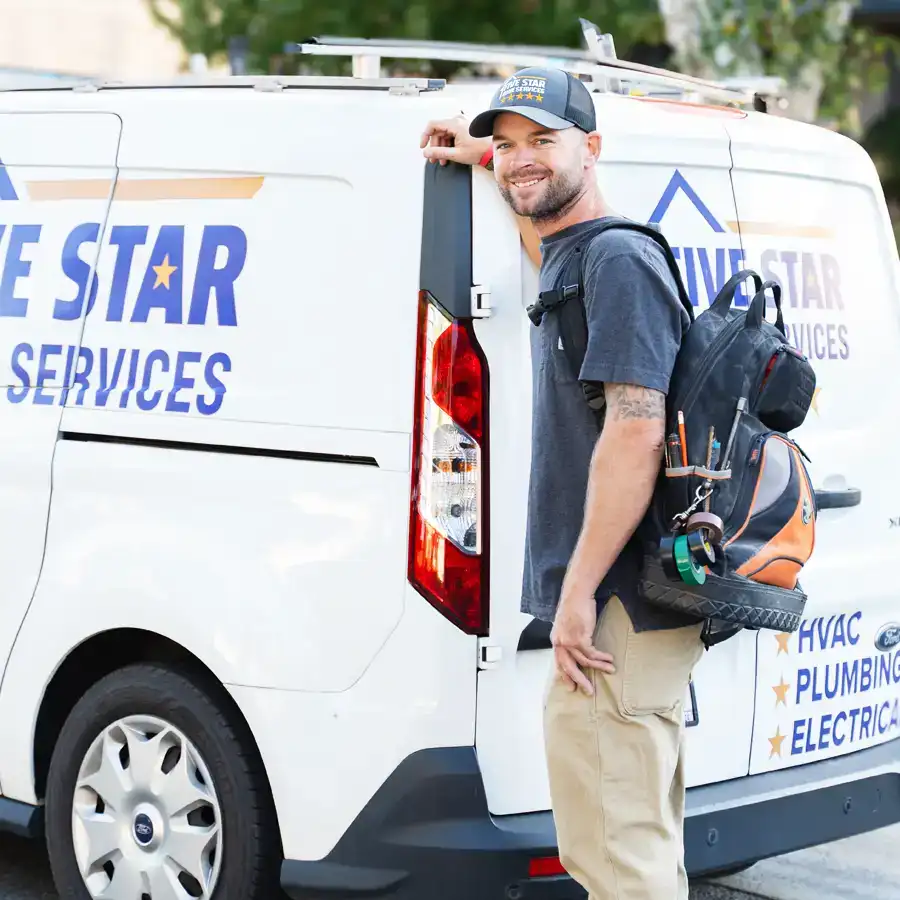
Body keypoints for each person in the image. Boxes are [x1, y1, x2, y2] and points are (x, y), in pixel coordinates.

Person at [421, 67, 707, 900]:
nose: (520, 160)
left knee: (618, 863)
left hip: (612, 608)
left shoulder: (615, 259)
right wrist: (489, 157)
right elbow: (538, 224)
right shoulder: (576, 255)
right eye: (510, 144)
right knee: (631, 845)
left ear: (594, 146)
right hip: (623, 608)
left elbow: (635, 429)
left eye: (542, 139)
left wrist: (577, 592)